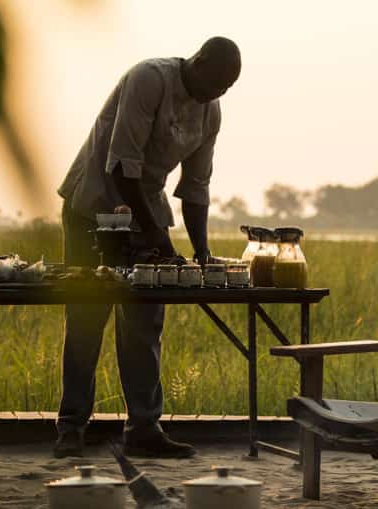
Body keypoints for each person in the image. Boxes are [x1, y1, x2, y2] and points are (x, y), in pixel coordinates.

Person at [53, 37, 241, 458]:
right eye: (216, 82)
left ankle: (143, 428)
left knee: (144, 322)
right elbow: (122, 166)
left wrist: (202, 253)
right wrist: (158, 237)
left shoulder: (210, 113)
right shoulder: (149, 78)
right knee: (87, 315)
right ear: (199, 60)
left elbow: (196, 188)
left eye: (227, 89)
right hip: (95, 202)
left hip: (147, 207)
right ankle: (70, 428)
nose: (218, 93)